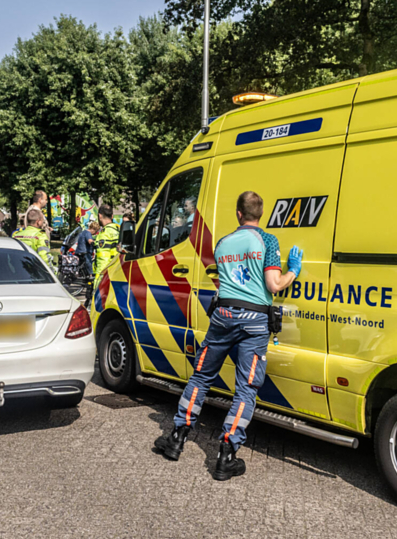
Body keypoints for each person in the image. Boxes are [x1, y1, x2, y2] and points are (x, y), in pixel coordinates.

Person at [152, 191, 303, 481]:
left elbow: (224, 283)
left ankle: (176, 439)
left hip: (222, 318)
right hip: (254, 322)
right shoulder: (268, 241)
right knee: (246, 388)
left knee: (200, 377)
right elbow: (273, 285)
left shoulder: (222, 244)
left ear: (238, 214)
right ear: (261, 215)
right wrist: (293, 271)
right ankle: (226, 454)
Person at [92, 205, 120, 276]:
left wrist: (99, 280)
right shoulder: (118, 230)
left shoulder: (105, 234)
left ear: (100, 216)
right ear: (112, 216)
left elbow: (103, 261)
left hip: (107, 277)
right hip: (117, 272)